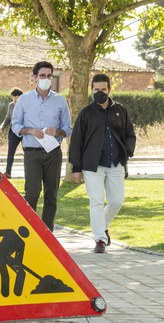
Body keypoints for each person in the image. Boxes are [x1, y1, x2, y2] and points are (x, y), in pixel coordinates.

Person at [69, 73, 136, 253]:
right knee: (96, 201)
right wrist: (76, 167)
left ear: (109, 90)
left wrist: (127, 151)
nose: (100, 92)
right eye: (96, 89)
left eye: (103, 89)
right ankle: (99, 239)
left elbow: (130, 133)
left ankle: (102, 225)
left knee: (116, 201)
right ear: (92, 90)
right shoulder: (86, 113)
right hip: (92, 165)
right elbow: (76, 141)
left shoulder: (120, 110)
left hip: (116, 163)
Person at [11, 61, 72, 232]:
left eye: (49, 76)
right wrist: (29, 130)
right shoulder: (24, 100)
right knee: (32, 192)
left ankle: (47, 232)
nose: (45, 79)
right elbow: (15, 125)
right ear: (35, 77)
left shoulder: (60, 100)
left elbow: (68, 128)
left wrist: (58, 131)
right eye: (42, 76)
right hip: (32, 153)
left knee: (51, 195)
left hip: (53, 152)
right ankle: (29, 230)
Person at [0, 88, 23, 178]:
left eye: (16, 97)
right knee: (10, 152)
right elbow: (7, 118)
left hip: (24, 132)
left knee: (27, 153)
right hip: (13, 132)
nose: (15, 99)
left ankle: (29, 172)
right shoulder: (11, 105)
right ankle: (8, 172)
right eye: (13, 97)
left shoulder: (26, 105)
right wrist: (2, 126)